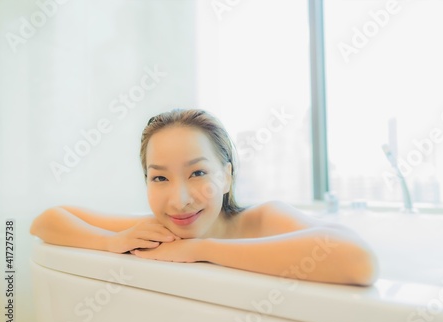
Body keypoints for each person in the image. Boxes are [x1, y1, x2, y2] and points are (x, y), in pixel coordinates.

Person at [30, 109, 377, 286]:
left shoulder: (264, 219)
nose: (179, 200)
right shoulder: (159, 231)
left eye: (197, 173)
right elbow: (46, 220)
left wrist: (200, 250)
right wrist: (112, 242)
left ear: (226, 176)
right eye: (160, 177)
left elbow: (359, 261)